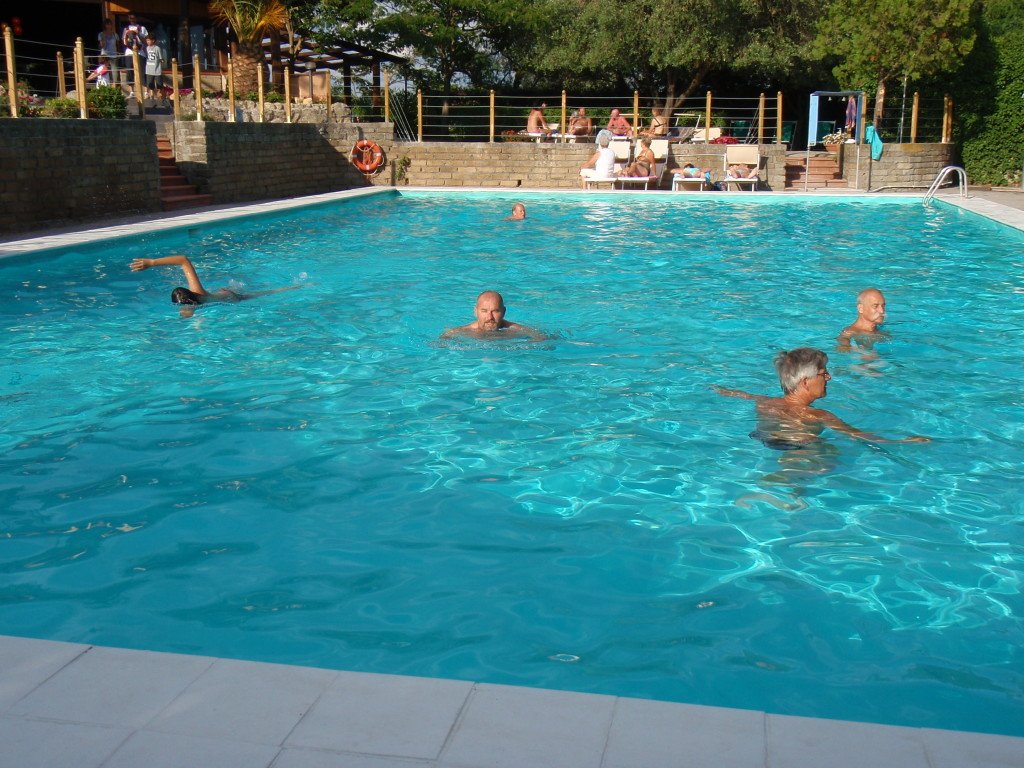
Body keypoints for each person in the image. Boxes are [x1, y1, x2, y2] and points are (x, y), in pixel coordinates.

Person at [715, 347, 929, 448]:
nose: (829, 377)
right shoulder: (818, 415)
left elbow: (740, 394)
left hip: (764, 437)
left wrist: (717, 388)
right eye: (823, 373)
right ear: (805, 382)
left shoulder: (764, 402)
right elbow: (858, 435)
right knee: (832, 458)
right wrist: (903, 441)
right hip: (801, 445)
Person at [129, 255, 301, 317]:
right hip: (224, 293)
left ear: (192, 303)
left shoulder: (193, 305)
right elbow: (183, 260)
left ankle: (298, 286)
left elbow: (183, 259)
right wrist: (151, 263)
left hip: (236, 298)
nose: (183, 312)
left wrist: (152, 262)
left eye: (183, 309)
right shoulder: (196, 292)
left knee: (268, 292)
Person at [441, 290, 544, 340]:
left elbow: (542, 338)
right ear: (475, 311)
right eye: (484, 311)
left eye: (495, 311)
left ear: (503, 312)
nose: (490, 317)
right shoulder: (460, 332)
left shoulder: (515, 329)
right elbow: (442, 341)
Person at [121, 13, 148, 93]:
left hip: (140, 52)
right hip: (129, 52)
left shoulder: (142, 28)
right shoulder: (126, 28)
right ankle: (132, 91)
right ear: (128, 19)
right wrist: (127, 37)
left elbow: (145, 42)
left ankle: (146, 91)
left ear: (136, 18)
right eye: (130, 18)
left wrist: (138, 34)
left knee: (142, 71)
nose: (132, 19)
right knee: (130, 71)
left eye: (133, 18)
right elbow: (124, 42)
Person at [97, 18, 121, 90]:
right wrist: (103, 40)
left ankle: (115, 90)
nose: (109, 25)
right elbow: (101, 46)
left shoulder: (115, 34)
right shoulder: (101, 34)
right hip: (105, 56)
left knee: (115, 74)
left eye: (110, 24)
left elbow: (118, 45)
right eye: (107, 24)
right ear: (104, 25)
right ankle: (105, 89)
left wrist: (118, 53)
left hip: (114, 56)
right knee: (105, 73)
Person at [142, 34, 164, 103]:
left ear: (153, 40)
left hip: (157, 69)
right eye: (147, 40)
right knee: (150, 84)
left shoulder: (157, 48)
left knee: (159, 85)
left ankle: (159, 97)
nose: (147, 42)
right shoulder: (146, 48)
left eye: (149, 40)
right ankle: (151, 96)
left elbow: (161, 58)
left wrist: (162, 61)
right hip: (149, 69)